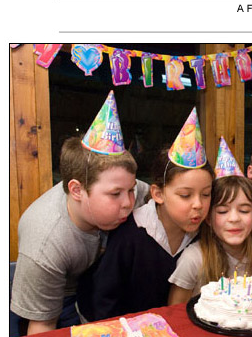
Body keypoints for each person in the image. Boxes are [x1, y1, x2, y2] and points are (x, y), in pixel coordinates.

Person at [10, 91, 149, 335]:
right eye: (116, 194)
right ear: (77, 190)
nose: (128, 202)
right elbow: (42, 328)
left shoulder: (132, 192)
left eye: (131, 189)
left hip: (107, 288)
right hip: (62, 300)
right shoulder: (45, 241)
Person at [77, 109, 214, 320]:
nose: (198, 204)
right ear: (158, 194)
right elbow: (103, 301)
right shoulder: (130, 234)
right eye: (185, 195)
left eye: (206, 194)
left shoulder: (203, 233)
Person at [168, 169, 252, 303]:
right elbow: (176, 312)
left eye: (244, 211)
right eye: (222, 211)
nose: (234, 219)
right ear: (209, 218)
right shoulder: (193, 259)